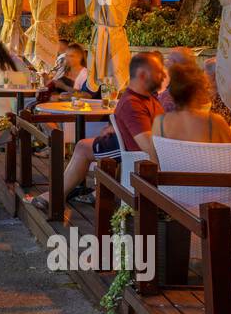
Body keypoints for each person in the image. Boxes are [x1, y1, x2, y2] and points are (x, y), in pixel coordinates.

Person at [30, 51, 166, 210]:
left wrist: (163, 177)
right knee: (83, 145)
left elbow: (148, 146)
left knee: (82, 147)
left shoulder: (136, 100)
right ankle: (73, 192)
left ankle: (56, 195)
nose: (163, 75)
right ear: (143, 74)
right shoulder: (140, 100)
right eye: (158, 71)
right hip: (133, 146)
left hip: (132, 153)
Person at [150, 60, 231, 173]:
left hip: (173, 188)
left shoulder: (159, 123)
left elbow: (155, 161)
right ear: (199, 91)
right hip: (214, 189)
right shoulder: (214, 122)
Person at [157, 47, 199, 111]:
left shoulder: (179, 88)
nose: (165, 63)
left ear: (175, 64)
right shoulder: (196, 84)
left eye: (169, 59)